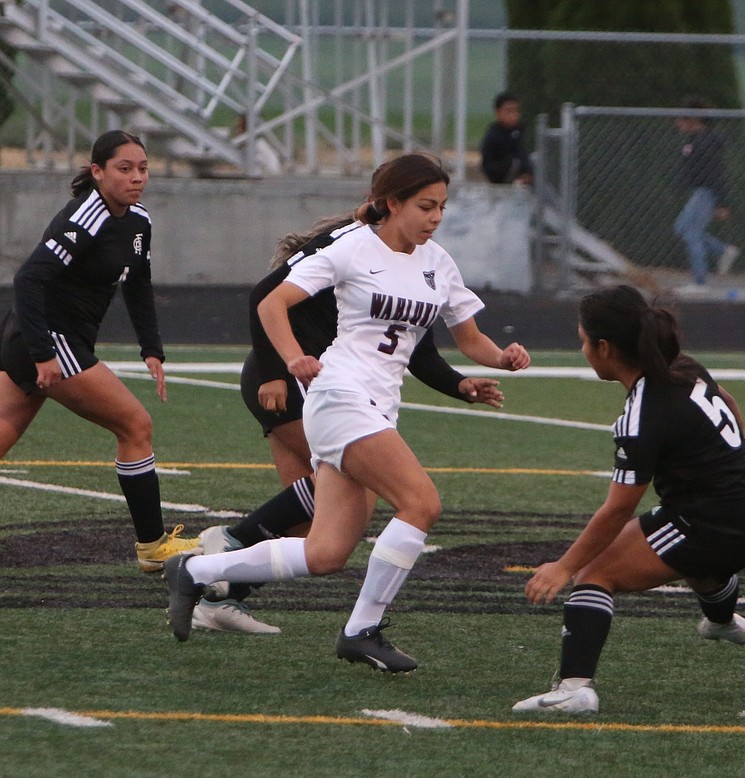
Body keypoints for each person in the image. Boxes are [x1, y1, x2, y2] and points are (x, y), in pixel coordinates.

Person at [164, 153, 531, 673]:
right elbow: (270, 302)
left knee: (326, 553)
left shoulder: (438, 263)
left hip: (377, 406)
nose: (436, 217)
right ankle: (362, 631)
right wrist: (291, 359)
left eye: (443, 207)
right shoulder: (353, 245)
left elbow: (469, 338)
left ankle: (196, 571)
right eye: (426, 206)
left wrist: (502, 358)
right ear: (392, 202)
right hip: (340, 396)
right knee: (421, 503)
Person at [513, 285, 745, 714]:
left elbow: (618, 508)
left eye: (582, 341)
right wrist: (740, 443)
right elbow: (725, 398)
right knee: (686, 556)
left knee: (595, 573)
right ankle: (722, 621)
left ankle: (574, 689)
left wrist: (564, 567)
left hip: (712, 525)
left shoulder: (642, 414)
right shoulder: (681, 366)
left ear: (603, 347)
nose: (582, 350)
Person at [0, 130, 201, 573]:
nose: (137, 178)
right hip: (50, 339)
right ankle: (152, 547)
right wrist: (42, 354)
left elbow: (138, 282)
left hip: (41, 338)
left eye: (143, 168)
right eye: (124, 169)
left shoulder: (138, 220)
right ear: (97, 172)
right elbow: (29, 279)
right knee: (135, 425)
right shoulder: (87, 216)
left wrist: (152, 348)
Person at [672, 97, 739, 294]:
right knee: (682, 227)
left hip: (706, 192)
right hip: (698, 191)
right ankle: (723, 251)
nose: (678, 123)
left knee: (691, 232)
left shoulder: (705, 142)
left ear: (694, 119)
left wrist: (722, 203)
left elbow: (717, 173)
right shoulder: (693, 141)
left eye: (682, 118)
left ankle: (700, 282)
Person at [480, 91, 533, 185]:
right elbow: (488, 164)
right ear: (498, 112)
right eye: (509, 111)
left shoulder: (523, 131)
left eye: (516, 111)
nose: (513, 115)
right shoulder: (493, 135)